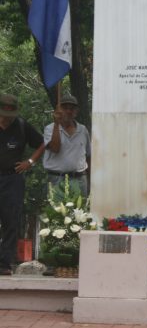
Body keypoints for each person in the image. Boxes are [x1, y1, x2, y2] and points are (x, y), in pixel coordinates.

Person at [0, 94, 44, 276]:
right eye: (4, 115)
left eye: (10, 115)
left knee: (11, 220)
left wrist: (30, 162)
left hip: (13, 178)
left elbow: (42, 143)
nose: (7, 118)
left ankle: (4, 263)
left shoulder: (21, 126)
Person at [43, 94, 91, 199]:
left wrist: (90, 180)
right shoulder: (50, 129)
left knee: (80, 209)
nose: (68, 111)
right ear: (58, 110)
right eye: (65, 108)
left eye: (72, 108)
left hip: (80, 179)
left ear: (76, 111)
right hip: (57, 179)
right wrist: (56, 124)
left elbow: (88, 156)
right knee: (56, 209)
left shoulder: (83, 130)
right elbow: (55, 148)